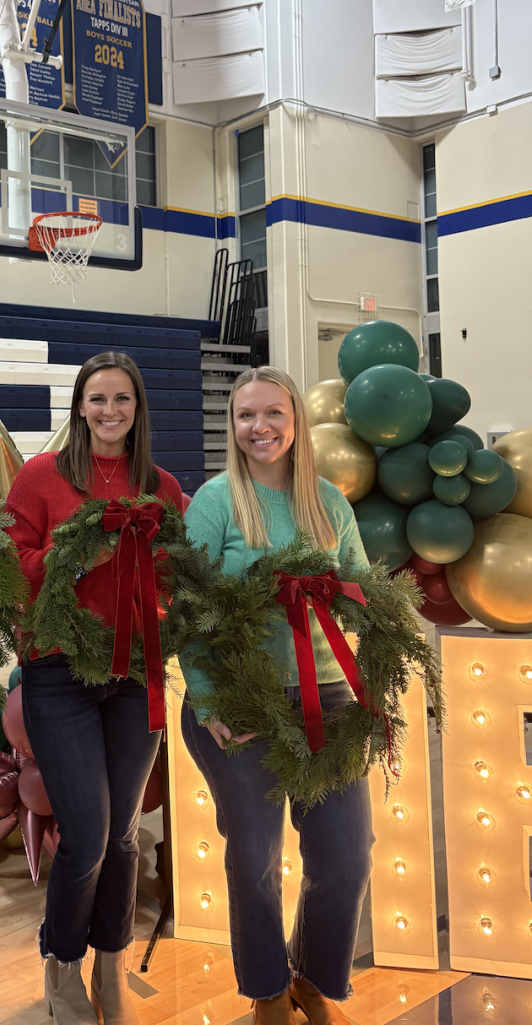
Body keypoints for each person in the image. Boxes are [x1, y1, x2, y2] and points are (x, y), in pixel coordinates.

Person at [180, 367, 372, 1025]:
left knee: (346, 854)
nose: (259, 427)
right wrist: (208, 702)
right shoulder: (214, 502)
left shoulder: (327, 502)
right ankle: (266, 989)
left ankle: (315, 978)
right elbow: (190, 605)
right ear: (232, 427)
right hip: (240, 701)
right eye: (245, 416)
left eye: (273, 414)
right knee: (255, 854)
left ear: (296, 423)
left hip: (327, 699)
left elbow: (362, 591)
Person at [5, 352, 184, 1025]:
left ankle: (112, 966)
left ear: (138, 411)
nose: (111, 411)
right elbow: (14, 565)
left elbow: (172, 577)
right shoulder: (42, 476)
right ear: (79, 407)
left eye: (123, 401)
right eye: (98, 399)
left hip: (135, 675)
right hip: (60, 676)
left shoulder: (160, 486)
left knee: (123, 836)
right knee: (85, 832)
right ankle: (61, 967)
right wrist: (77, 552)